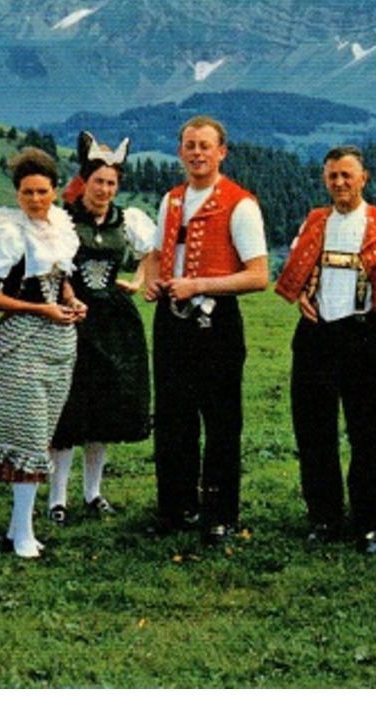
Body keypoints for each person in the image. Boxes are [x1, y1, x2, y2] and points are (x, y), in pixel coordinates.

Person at [275, 145, 376, 554]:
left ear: (363, 178)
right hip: (314, 336)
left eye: (347, 175)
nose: (340, 183)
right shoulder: (314, 222)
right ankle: (324, 518)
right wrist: (301, 298)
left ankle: (367, 524)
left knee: (367, 433)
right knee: (315, 432)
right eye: (333, 176)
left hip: (361, 334)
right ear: (325, 180)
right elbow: (297, 268)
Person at [143, 116, 268, 545]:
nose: (197, 153)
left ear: (221, 152)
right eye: (190, 146)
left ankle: (220, 513)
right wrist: (153, 280)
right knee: (173, 417)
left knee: (220, 420)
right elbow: (158, 254)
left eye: (205, 146)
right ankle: (176, 507)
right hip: (172, 320)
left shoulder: (240, 204)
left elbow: (258, 276)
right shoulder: (172, 200)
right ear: (180, 151)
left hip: (217, 323)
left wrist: (199, 284)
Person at [0, 148, 86, 559]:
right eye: (26, 193)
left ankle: (19, 527)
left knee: (45, 432)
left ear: (55, 190)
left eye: (42, 191)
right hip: (22, 339)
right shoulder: (6, 231)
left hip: (60, 341)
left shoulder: (60, 226)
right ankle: (21, 531)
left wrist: (72, 301)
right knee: (30, 435)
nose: (35, 200)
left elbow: (61, 277)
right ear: (16, 193)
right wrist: (41, 309)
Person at [46, 132, 157, 524]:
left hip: (113, 320)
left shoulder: (126, 219)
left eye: (112, 183)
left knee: (105, 408)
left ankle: (93, 492)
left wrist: (138, 279)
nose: (105, 190)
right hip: (73, 317)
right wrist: (68, 294)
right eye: (99, 182)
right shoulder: (62, 219)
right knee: (69, 407)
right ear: (85, 181)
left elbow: (152, 251)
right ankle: (56, 498)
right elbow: (55, 264)